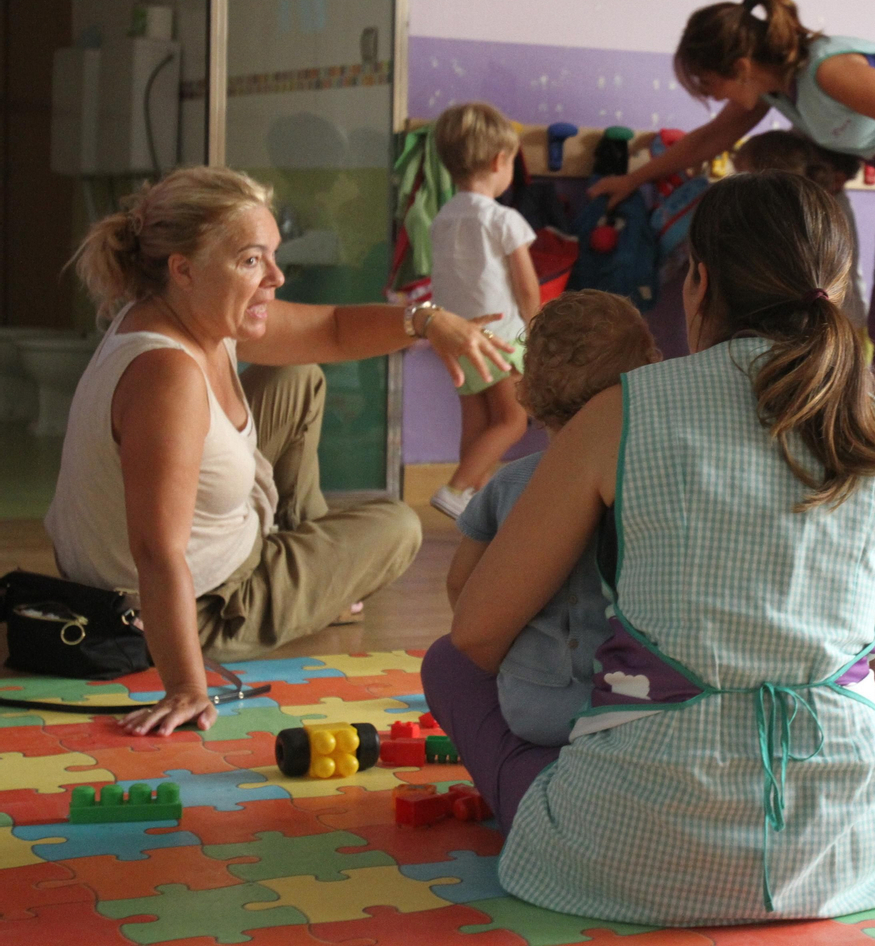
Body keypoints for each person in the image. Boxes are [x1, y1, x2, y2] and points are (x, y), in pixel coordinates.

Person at [423, 172, 875, 925]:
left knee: (447, 663)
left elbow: (476, 630)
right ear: (835, 286)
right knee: (858, 673)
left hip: (628, 854)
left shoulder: (621, 412)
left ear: (698, 282)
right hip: (847, 856)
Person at [47, 166, 512, 735]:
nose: (276, 276)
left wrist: (431, 321)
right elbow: (157, 552)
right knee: (398, 526)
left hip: (194, 553)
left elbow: (336, 329)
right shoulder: (166, 374)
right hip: (183, 608)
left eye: (271, 255)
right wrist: (188, 686)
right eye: (250, 260)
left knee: (299, 377)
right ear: (183, 270)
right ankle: (324, 585)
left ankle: (320, 576)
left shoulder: (176, 311)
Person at [589, 0, 875, 505]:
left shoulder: (828, 71)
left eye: (712, 84)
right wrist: (633, 180)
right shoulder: (775, 90)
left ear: (742, 64)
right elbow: (707, 140)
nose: (716, 97)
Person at [445, 290, 661, 746]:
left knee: (445, 668)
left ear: (526, 386)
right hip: (631, 707)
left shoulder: (511, 482)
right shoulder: (645, 480)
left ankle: (525, 780)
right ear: (648, 371)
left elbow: (460, 585)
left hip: (534, 705)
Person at [426, 102, 543, 519]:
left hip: (459, 334)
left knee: (476, 420)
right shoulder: (504, 219)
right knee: (513, 420)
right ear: (500, 161)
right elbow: (527, 286)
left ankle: (469, 498)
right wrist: (536, 326)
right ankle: (458, 489)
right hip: (502, 336)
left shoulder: (442, 218)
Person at [732, 130, 867, 328]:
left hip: (830, 330)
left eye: (746, 179)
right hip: (842, 325)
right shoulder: (822, 205)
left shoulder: (806, 219)